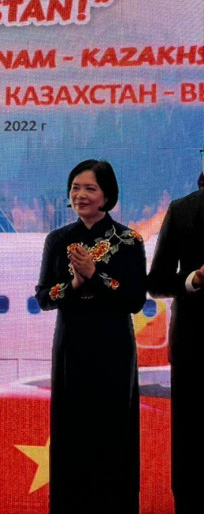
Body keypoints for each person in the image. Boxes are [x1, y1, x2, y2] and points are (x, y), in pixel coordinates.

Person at [35, 159, 146, 514]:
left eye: (90, 189)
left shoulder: (129, 240)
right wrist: (74, 282)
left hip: (114, 349)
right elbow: (44, 297)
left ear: (107, 195)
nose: (80, 195)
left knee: (113, 436)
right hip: (72, 348)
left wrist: (95, 274)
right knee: (71, 436)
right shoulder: (58, 239)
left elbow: (134, 299)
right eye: (75, 188)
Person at [147, 183, 204, 514]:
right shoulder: (182, 210)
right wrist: (193, 280)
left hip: (189, 349)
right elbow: (156, 283)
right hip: (193, 351)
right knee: (190, 453)